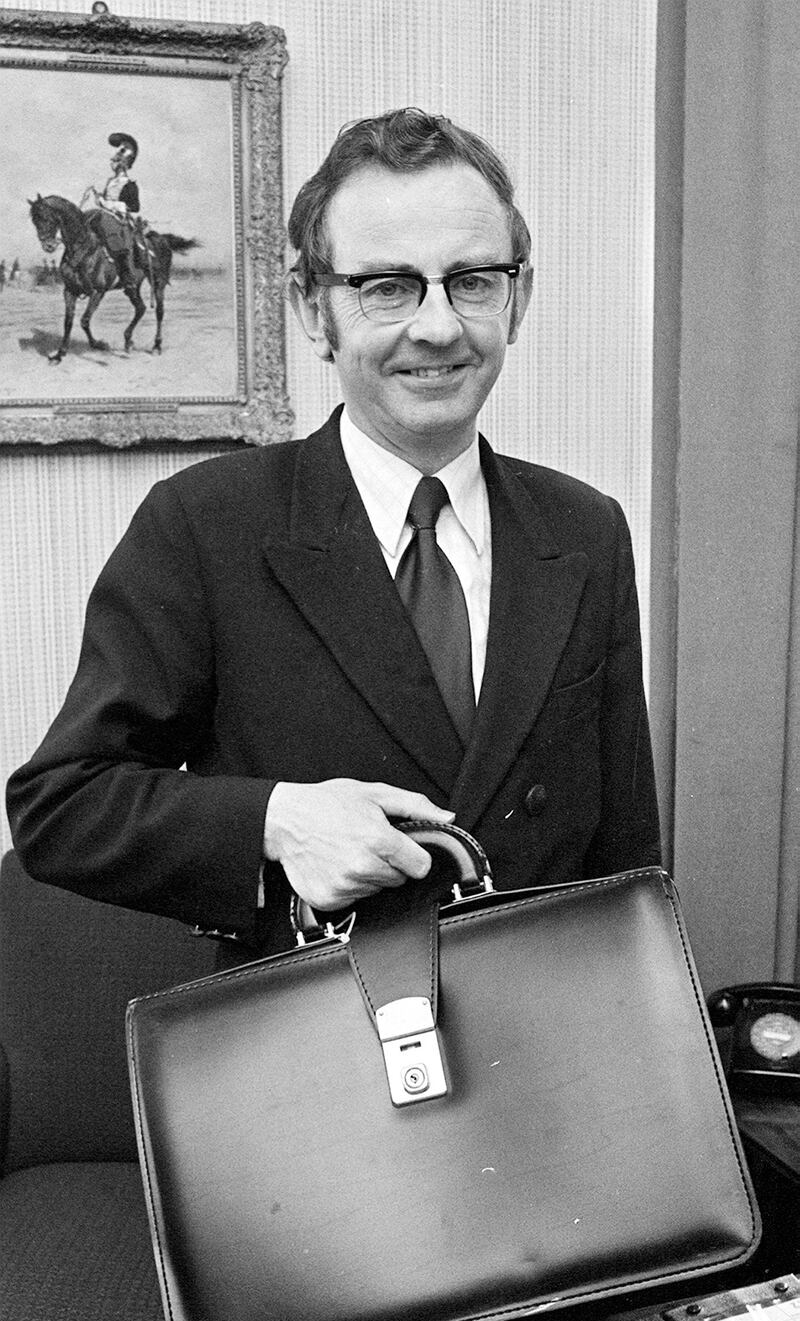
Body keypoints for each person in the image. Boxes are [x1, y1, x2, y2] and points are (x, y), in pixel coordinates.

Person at [8, 104, 660, 954]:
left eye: (473, 280)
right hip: (314, 1053)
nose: (437, 325)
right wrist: (277, 819)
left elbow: (627, 861)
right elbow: (60, 804)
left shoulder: (586, 529)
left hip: (538, 1044)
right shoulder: (205, 526)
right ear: (314, 311)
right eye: (385, 287)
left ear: (518, 295)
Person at [83, 131, 143, 288]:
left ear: (124, 163)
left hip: (120, 220)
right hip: (105, 216)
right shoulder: (110, 182)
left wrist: (107, 204)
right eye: (114, 160)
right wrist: (98, 198)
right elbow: (104, 202)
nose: (112, 161)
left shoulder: (129, 184)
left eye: (116, 160)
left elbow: (134, 207)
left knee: (109, 229)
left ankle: (126, 275)